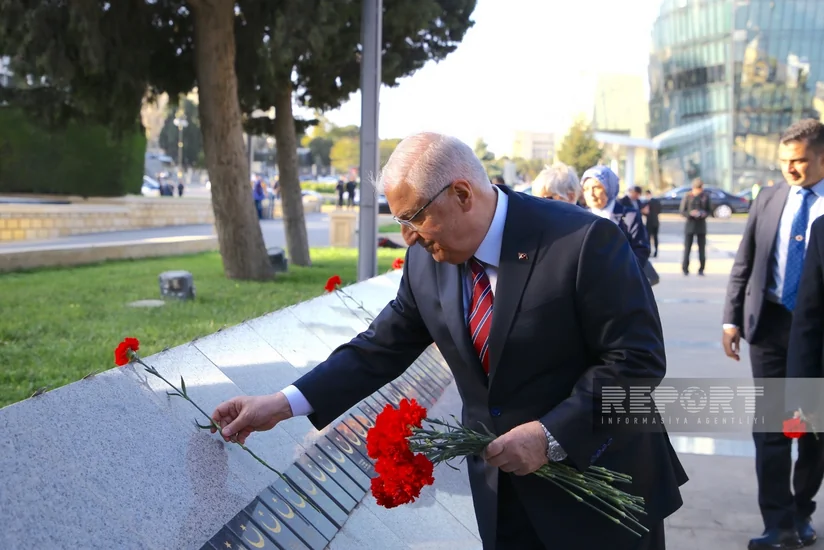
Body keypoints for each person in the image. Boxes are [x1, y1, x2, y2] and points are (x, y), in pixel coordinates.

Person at [210, 132, 687, 550]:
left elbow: (637, 362)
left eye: (413, 217)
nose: (407, 239)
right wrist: (281, 403)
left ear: (462, 194)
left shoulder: (583, 241)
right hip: (506, 500)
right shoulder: (426, 262)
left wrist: (551, 435)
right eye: (399, 222)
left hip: (602, 492)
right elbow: (381, 345)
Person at [723, 119, 824, 550]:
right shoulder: (768, 198)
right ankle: (777, 523)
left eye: (800, 160)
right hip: (767, 328)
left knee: (811, 428)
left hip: (817, 337)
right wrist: (731, 319)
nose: (790, 169)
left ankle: (802, 511)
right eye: (784, 161)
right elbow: (745, 261)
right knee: (770, 430)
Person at [581, 165, 650, 267]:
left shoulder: (629, 216)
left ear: (610, 187)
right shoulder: (581, 216)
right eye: (586, 189)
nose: (591, 194)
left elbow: (641, 250)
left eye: (596, 187)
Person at [679, 178, 711, 276]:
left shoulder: (705, 196)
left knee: (702, 249)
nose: (699, 191)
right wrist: (690, 213)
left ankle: (701, 268)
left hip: (701, 226)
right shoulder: (688, 196)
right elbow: (682, 211)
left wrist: (703, 214)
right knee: (687, 248)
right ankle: (685, 268)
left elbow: (709, 210)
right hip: (690, 225)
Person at [642, 190, 662, 258]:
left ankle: (651, 251)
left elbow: (644, 212)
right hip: (655, 221)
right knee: (654, 237)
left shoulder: (648, 202)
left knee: (650, 237)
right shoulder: (656, 201)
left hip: (650, 222)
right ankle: (655, 251)